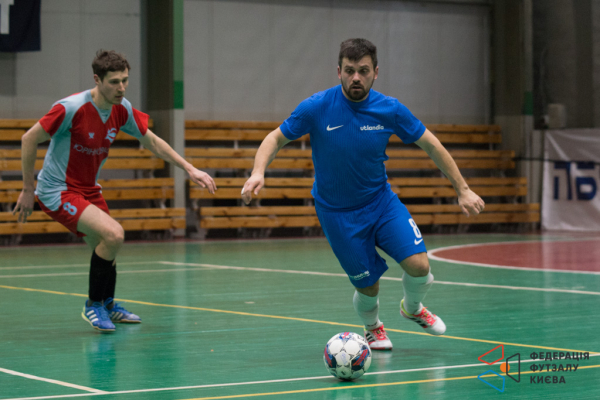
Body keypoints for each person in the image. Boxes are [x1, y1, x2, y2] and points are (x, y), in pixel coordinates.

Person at [241, 39, 485, 350]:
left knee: (420, 266)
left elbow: (432, 145)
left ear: (376, 73)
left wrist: (462, 189)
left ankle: (412, 308)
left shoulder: (390, 109)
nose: (356, 77)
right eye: (350, 71)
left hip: (381, 203)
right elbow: (275, 138)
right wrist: (258, 171)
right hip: (337, 214)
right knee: (368, 285)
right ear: (339, 71)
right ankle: (373, 327)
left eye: (364, 71)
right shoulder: (317, 107)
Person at [12, 50, 217, 333]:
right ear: (97, 80)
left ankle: (108, 304)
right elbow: (29, 138)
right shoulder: (70, 108)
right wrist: (27, 188)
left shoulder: (122, 108)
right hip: (57, 190)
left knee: (108, 246)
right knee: (114, 234)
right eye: (114, 82)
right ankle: (93, 304)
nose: (121, 88)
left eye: (125, 80)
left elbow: (152, 141)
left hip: (88, 189)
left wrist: (189, 168)